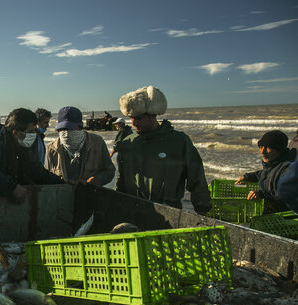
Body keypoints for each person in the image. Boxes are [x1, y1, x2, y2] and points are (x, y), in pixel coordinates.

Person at [115, 86, 211, 214]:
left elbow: (196, 177)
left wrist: (203, 208)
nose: (133, 123)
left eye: (138, 118)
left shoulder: (178, 141)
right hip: (133, 210)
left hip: (169, 212)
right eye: (131, 118)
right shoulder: (128, 143)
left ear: (153, 115)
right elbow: (121, 181)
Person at [0, 108, 63, 203]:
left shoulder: (22, 148)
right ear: (15, 133)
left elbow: (37, 172)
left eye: (35, 130)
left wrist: (63, 182)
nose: (34, 134)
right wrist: (11, 187)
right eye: (30, 131)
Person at [45, 106, 115, 186]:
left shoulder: (97, 143)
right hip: (63, 195)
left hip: (91, 194)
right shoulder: (51, 148)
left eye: (71, 129)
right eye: (63, 129)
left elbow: (110, 171)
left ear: (80, 127)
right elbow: (48, 177)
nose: (66, 133)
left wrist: (97, 179)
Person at [236, 130, 296, 213]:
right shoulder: (273, 164)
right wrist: (248, 176)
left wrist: (262, 195)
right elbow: (267, 174)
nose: (262, 152)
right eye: (261, 147)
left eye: (268, 147)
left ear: (279, 150)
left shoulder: (288, 168)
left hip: (284, 218)